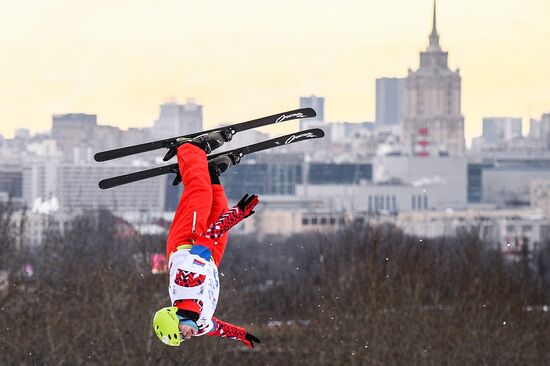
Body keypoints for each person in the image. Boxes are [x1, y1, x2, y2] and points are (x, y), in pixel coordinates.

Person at [152, 132, 261, 348]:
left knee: (199, 194)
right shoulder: (199, 324)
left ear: (176, 319)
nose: (187, 336)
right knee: (217, 208)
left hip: (189, 241)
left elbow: (207, 238)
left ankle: (189, 149)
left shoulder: (187, 282)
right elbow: (216, 328)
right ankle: (210, 172)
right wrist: (241, 334)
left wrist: (237, 215)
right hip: (209, 259)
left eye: (181, 334)